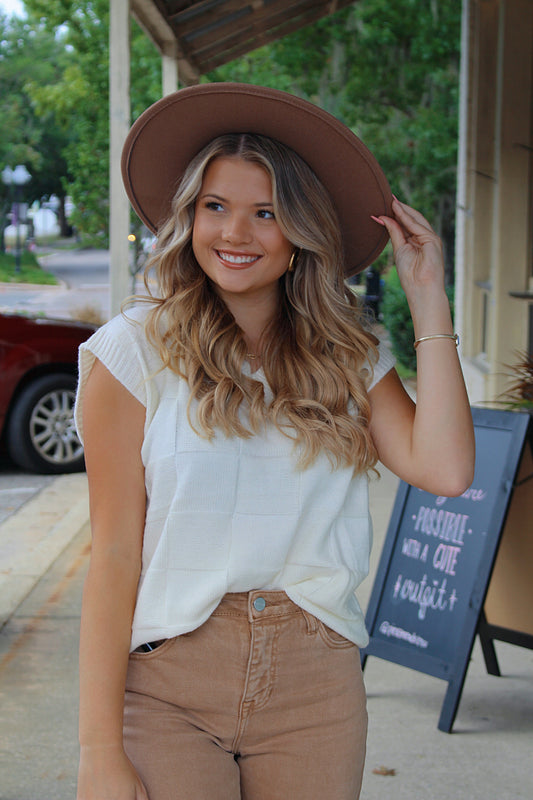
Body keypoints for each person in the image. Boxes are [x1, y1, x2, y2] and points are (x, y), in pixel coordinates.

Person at [75, 83, 475, 800]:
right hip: (168, 685)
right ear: (188, 218)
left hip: (314, 686)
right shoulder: (132, 354)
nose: (235, 234)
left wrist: (427, 298)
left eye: (265, 213)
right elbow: (111, 555)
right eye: (215, 207)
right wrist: (98, 750)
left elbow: (443, 469)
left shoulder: (348, 357)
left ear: (299, 234)